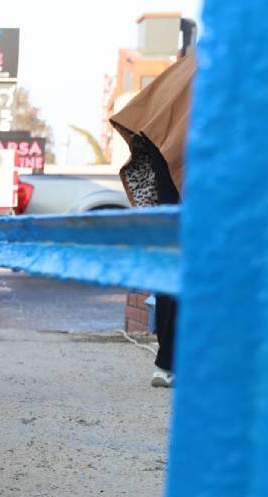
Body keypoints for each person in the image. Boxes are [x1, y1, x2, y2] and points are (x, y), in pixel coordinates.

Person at [111, 51, 195, 388]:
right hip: (192, 155)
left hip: (164, 142)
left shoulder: (195, 61)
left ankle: (167, 363)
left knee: (172, 256)